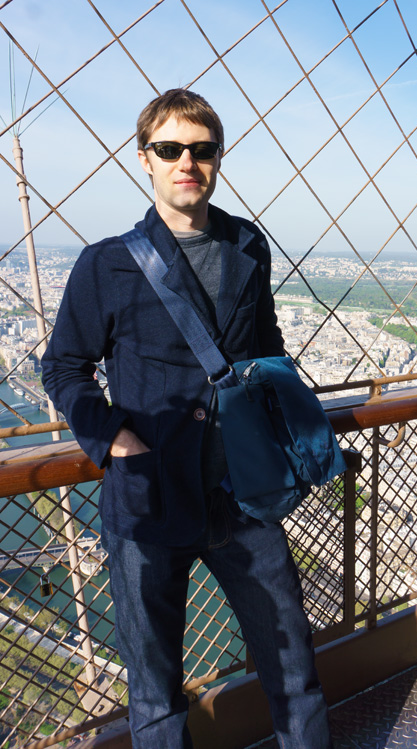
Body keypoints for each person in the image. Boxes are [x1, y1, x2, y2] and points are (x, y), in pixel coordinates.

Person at [41, 88, 332, 748]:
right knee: (153, 690)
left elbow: (266, 348)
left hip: (242, 494)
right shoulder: (106, 264)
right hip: (150, 497)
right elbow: (63, 365)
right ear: (144, 158)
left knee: (293, 663)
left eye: (201, 150)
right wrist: (110, 434)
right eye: (170, 149)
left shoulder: (247, 246)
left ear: (217, 158)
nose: (187, 162)